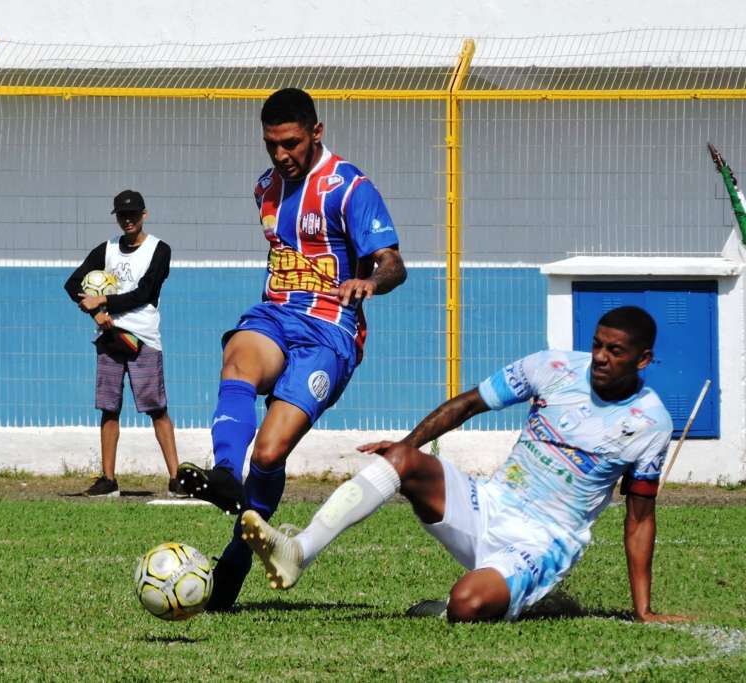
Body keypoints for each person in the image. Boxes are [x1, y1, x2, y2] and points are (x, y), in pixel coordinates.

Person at [242, 306, 690, 624]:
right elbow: (469, 403)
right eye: (597, 345)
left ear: (643, 360)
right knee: (401, 459)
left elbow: (639, 519)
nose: (600, 358)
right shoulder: (551, 366)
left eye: (615, 351)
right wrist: (407, 445)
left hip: (542, 541)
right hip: (489, 503)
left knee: (466, 606)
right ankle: (299, 551)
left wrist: (643, 609)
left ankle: (494, 595)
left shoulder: (650, 423)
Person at [176, 88, 407, 610]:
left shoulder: (348, 187)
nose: (281, 155)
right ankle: (223, 475)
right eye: (271, 144)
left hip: (329, 332)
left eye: (291, 143)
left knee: (272, 451)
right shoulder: (266, 188)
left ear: (316, 133)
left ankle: (232, 566)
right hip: (276, 315)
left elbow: (393, 262)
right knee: (237, 357)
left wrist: (370, 282)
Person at [64, 190, 183, 498]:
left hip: (143, 339)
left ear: (144, 214)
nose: (127, 220)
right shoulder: (107, 249)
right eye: (121, 215)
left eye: (133, 214)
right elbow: (73, 283)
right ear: (116, 217)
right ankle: (107, 478)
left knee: (157, 407)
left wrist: (103, 300)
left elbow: (144, 293)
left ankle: (175, 477)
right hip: (110, 339)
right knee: (109, 408)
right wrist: (97, 313)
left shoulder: (160, 250)